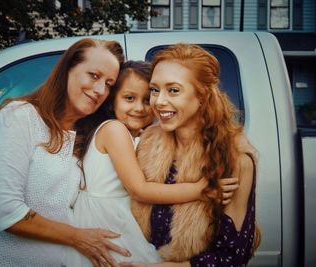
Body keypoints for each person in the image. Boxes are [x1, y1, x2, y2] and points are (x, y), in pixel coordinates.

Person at [0, 38, 132, 267]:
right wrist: (78, 237)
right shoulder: (19, 118)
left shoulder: (87, 135)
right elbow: (6, 212)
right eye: (94, 75)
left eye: (109, 84)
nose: (101, 90)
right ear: (67, 69)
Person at [67, 61, 240, 266]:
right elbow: (140, 190)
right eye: (129, 98)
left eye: (147, 99)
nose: (140, 108)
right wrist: (201, 189)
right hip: (106, 221)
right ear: (112, 101)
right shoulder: (115, 130)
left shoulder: (141, 137)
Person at [126, 43, 261, 267]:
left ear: (202, 97)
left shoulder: (235, 159)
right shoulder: (146, 143)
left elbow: (233, 256)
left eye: (174, 90)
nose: (159, 101)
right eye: (155, 89)